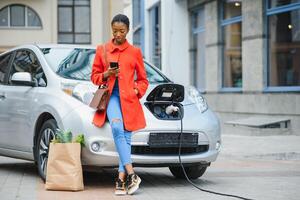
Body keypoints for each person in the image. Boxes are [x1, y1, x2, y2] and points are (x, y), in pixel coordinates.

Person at [91, 14, 149, 195]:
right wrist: (107, 74)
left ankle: (120, 180)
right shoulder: (102, 50)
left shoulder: (135, 52)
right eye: (115, 31)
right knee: (117, 128)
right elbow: (94, 77)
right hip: (111, 98)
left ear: (128, 30)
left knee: (127, 137)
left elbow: (143, 80)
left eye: (121, 31)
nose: (118, 34)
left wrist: (137, 91)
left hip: (129, 99)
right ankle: (132, 173)